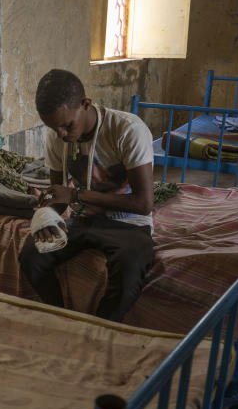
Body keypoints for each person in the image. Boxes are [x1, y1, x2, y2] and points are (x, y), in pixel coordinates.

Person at [19, 68, 155, 322]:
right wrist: (46, 217)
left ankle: (99, 330)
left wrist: (76, 196)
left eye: (66, 125)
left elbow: (144, 204)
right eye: (53, 127)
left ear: (85, 104)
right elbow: (58, 198)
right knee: (31, 256)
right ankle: (63, 318)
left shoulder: (127, 130)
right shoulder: (57, 136)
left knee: (129, 270)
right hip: (83, 221)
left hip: (128, 224)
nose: (61, 134)